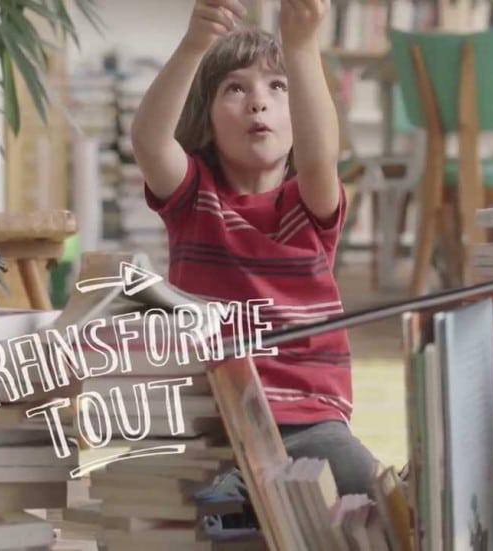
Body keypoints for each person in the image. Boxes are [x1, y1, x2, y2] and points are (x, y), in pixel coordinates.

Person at [129, 0, 379, 527]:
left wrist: (302, 45)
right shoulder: (192, 197)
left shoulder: (310, 203)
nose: (258, 102)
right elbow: (149, 141)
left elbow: (321, 156)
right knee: (161, 510)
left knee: (373, 491)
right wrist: (194, 45)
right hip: (214, 423)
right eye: (235, 89)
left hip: (311, 424)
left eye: (277, 86)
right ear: (206, 119)